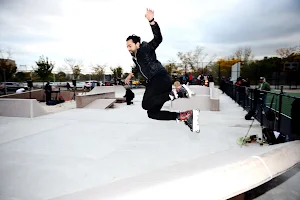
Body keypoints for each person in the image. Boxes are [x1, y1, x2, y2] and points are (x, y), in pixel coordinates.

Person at [124, 8, 200, 132]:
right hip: (158, 82)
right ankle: (184, 116)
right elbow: (137, 67)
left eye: (130, 45)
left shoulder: (145, 48)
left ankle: (177, 92)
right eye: (127, 46)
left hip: (158, 78)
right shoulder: (135, 57)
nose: (128, 49)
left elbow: (158, 38)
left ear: (137, 44)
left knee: (145, 104)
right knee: (151, 112)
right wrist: (130, 75)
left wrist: (152, 21)